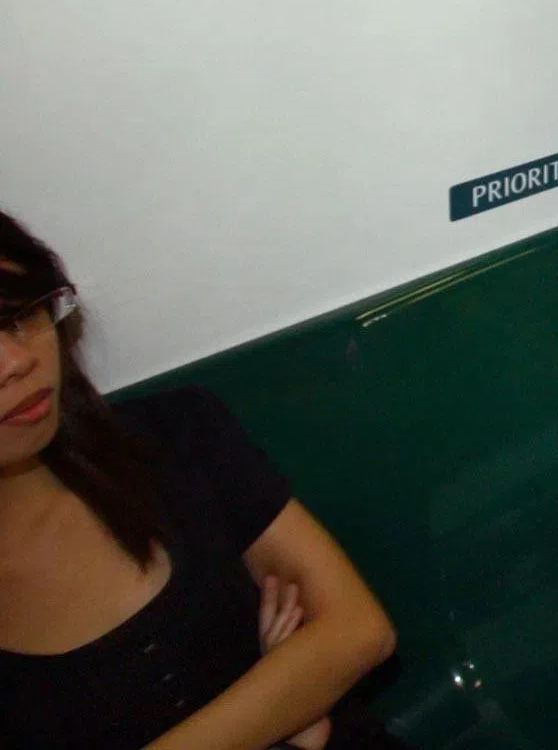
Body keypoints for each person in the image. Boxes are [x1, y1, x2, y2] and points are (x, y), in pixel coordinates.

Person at [0, 211, 403, 750]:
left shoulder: (172, 434)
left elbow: (358, 630)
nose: (16, 361)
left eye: (19, 316)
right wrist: (289, 707)